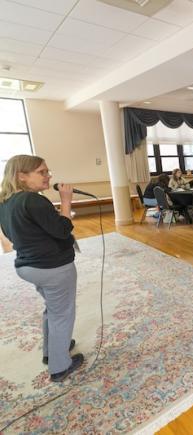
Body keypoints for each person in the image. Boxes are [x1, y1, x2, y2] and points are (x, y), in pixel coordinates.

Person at [0, 155, 84, 382]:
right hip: (52, 267)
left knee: (53, 309)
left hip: (29, 266)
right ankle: (60, 366)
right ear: (22, 176)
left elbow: (11, 234)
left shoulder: (6, 202)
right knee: (62, 314)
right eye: (42, 172)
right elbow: (62, 230)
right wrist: (66, 200)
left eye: (48, 171)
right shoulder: (34, 201)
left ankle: (52, 350)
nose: (49, 176)